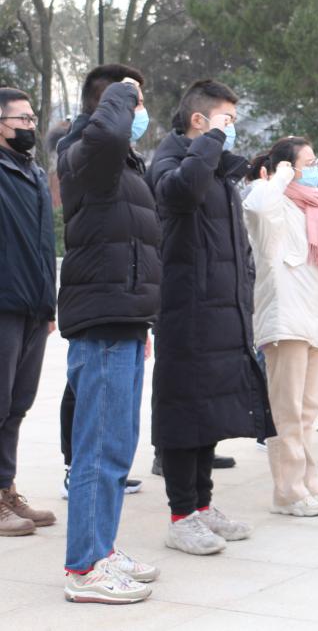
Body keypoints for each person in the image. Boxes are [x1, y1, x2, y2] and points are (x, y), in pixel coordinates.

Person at [146, 80, 275, 555]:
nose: (231, 130)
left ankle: (202, 506)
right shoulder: (171, 161)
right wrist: (212, 143)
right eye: (225, 120)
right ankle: (181, 516)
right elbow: (179, 193)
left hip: (223, 310)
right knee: (184, 413)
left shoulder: (217, 170)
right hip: (186, 312)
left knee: (210, 414)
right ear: (198, 120)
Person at [57, 65, 161, 603]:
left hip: (124, 318)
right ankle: (84, 569)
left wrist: (142, 318)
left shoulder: (118, 161)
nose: (142, 113)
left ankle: (103, 546)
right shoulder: (84, 151)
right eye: (136, 103)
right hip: (100, 319)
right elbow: (106, 134)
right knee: (98, 448)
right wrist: (122, 94)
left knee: (117, 446)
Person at [243, 137, 318, 517]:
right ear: (287, 167)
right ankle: (287, 490)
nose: (315, 169)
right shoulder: (273, 203)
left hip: (314, 319)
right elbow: (256, 205)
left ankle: (308, 481)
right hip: (284, 321)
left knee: (308, 411)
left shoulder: (315, 208)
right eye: (308, 163)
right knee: (286, 411)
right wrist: (279, 178)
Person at [0, 87, 57, 536]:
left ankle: (6, 488)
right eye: (21, 119)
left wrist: (48, 304)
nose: (30, 126)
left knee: (17, 405)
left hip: (33, 306)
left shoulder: (33, 171)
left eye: (33, 119)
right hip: (4, 302)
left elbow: (42, 244)